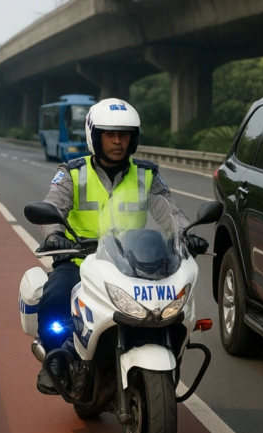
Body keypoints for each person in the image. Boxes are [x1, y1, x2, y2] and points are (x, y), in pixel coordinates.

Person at [34, 97, 209, 395]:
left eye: (124, 135)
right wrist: (54, 236)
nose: (118, 142)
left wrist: (185, 234)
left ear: (134, 138)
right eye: (110, 135)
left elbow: (169, 211)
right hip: (80, 260)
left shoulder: (147, 174)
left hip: (130, 263)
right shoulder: (72, 172)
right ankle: (56, 363)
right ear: (95, 136)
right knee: (55, 295)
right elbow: (53, 206)